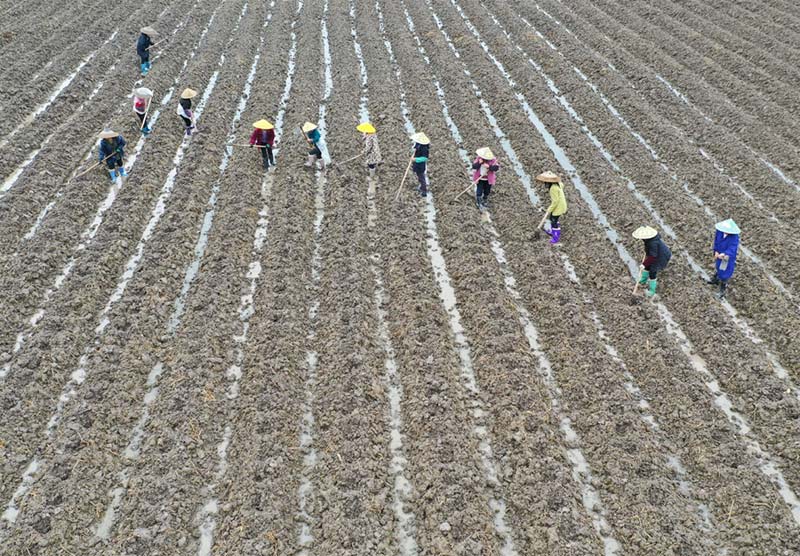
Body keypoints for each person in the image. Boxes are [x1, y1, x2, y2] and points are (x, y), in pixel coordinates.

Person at [633, 226, 672, 298]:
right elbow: (650, 253)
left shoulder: (653, 243)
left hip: (661, 256)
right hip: (655, 255)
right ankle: (643, 280)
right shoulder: (648, 240)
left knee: (652, 271)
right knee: (647, 266)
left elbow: (653, 256)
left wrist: (644, 264)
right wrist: (646, 264)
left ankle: (652, 291)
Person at [708, 219, 740, 299]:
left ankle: (722, 289)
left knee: (724, 270)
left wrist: (725, 254)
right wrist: (716, 251)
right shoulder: (719, 232)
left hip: (726, 257)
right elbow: (716, 241)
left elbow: (733, 248)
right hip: (719, 253)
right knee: (718, 266)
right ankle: (716, 279)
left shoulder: (734, 237)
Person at [536, 171, 567, 244]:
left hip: (558, 206)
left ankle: (556, 237)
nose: (545, 184)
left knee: (553, 220)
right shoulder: (558, 184)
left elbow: (555, 201)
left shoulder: (553, 188)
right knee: (552, 218)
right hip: (562, 204)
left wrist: (549, 209)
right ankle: (554, 231)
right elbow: (562, 185)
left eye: (546, 183)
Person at [410, 132, 430, 196]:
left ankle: (424, 191)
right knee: (419, 176)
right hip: (417, 164)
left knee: (422, 177)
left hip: (421, 165)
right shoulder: (418, 144)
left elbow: (425, 158)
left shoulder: (424, 148)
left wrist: (415, 159)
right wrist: (413, 151)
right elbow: (415, 149)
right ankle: (421, 187)